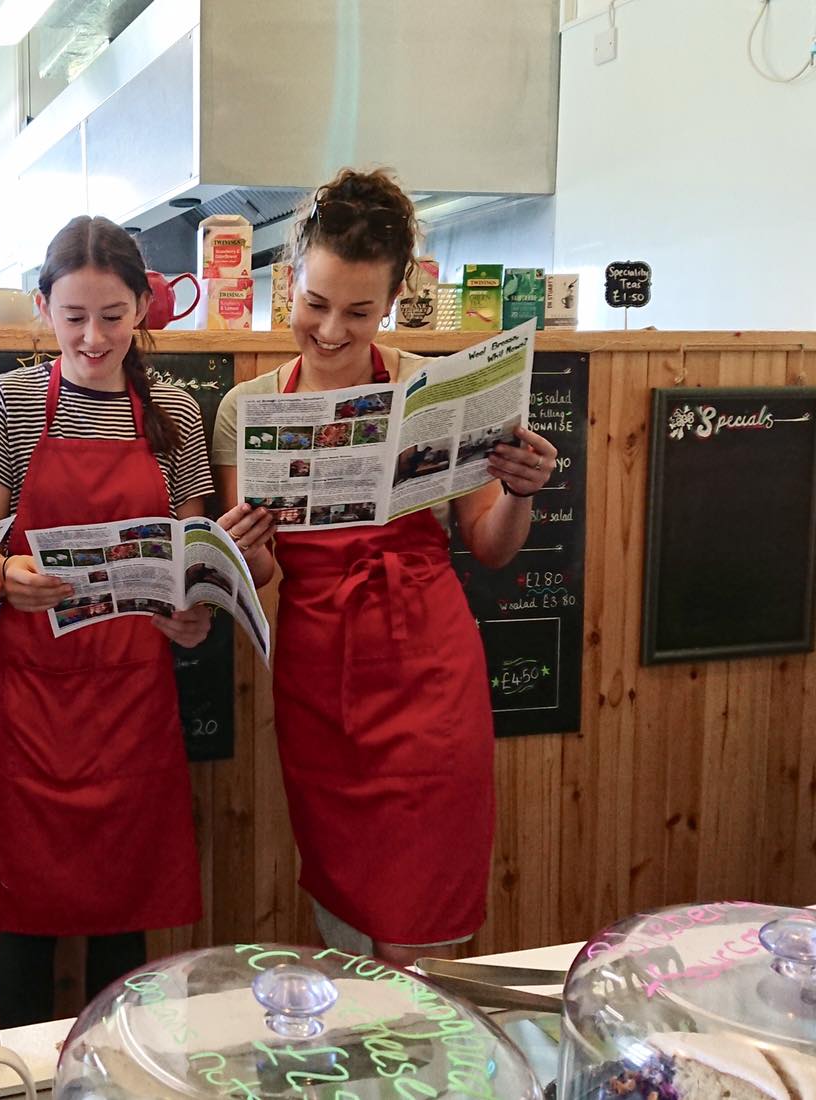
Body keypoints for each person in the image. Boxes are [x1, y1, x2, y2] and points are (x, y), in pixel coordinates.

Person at [212, 168, 558, 966]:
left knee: (422, 925)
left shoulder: (431, 389)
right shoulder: (246, 409)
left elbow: (492, 546)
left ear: (394, 301)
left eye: (360, 312)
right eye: (316, 304)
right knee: (346, 917)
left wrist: (520, 491)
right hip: (318, 678)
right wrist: (246, 547)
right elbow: (260, 575)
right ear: (289, 280)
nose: (332, 331)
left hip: (429, 673)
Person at [0, 215, 214, 1027]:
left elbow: (192, 564)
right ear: (43, 309)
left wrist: (192, 615)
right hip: (27, 702)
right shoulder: (9, 404)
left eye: (112, 315)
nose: (94, 338)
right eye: (73, 317)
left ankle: (118, 1070)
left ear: (143, 308)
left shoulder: (175, 411)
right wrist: (5, 576)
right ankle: (26, 1074)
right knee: (22, 919)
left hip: (133, 701)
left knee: (124, 917)